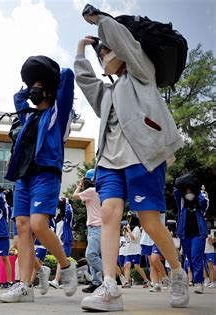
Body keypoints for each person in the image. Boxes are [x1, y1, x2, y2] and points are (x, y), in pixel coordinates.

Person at [76, 4, 187, 311]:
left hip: (142, 158)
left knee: (151, 222)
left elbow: (125, 41)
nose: (103, 55)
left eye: (106, 50)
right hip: (109, 163)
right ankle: (110, 286)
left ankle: (177, 272)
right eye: (100, 54)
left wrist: (101, 21)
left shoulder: (141, 71)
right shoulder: (109, 92)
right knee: (110, 213)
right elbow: (86, 82)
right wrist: (80, 50)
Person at [0, 56, 78, 303]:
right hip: (24, 176)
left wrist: (49, 76)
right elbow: (18, 98)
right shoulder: (28, 117)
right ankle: (24, 286)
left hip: (46, 173)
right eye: (33, 85)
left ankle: (66, 266)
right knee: (22, 226)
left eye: (39, 85)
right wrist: (30, 81)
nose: (34, 89)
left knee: (39, 225)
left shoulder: (58, 113)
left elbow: (68, 76)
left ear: (50, 89)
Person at [174, 174, 209, 294]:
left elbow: (204, 204)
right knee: (189, 257)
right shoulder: (181, 201)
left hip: (199, 233)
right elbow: (176, 191)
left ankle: (199, 283)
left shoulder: (200, 200)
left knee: (196, 257)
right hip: (185, 233)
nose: (188, 192)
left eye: (191, 190)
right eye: (186, 190)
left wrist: (199, 192)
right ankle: (196, 278)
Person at [73, 169, 102, 293]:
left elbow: (74, 196)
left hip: (96, 228)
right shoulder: (99, 191)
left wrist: (79, 185)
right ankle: (96, 283)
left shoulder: (91, 191)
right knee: (94, 256)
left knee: (90, 255)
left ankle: (109, 276)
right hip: (96, 228)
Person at [121, 216, 150, 288]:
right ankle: (127, 282)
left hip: (135, 250)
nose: (128, 221)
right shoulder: (129, 229)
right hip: (128, 250)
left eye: (129, 219)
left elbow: (133, 238)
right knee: (127, 266)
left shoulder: (136, 228)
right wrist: (125, 231)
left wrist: (128, 230)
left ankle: (146, 280)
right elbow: (126, 238)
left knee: (137, 267)